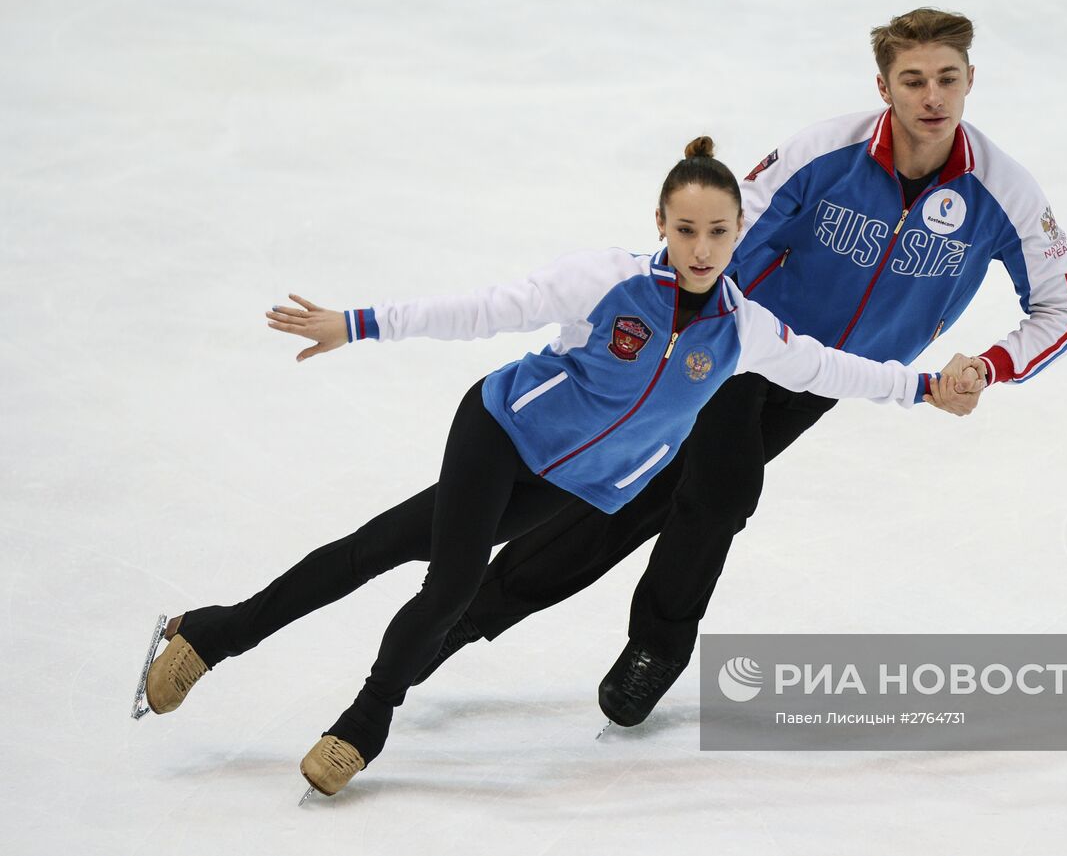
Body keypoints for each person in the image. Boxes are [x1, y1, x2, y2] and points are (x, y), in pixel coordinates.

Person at [140, 137, 965, 797]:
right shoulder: (604, 280)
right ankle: (363, 723)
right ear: (661, 223)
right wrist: (356, 322)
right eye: (685, 231)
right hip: (499, 433)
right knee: (453, 583)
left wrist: (926, 386)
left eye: (719, 233)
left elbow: (834, 369)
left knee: (376, 548)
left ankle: (211, 631)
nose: (702, 248)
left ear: (739, 234)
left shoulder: (746, 331)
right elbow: (483, 310)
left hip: (566, 485)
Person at [418, 7, 1067, 727]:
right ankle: (648, 644)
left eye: (947, 79)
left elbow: (1064, 308)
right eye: (914, 80)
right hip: (737, 347)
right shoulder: (825, 151)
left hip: (829, 377)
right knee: (716, 490)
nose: (932, 97)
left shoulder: (1002, 191)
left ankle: (472, 614)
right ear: (884, 85)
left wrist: (988, 365)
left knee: (647, 493)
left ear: (970, 80)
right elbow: (724, 235)